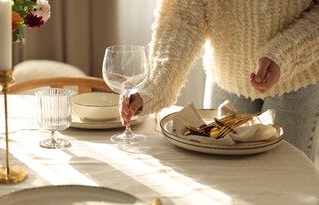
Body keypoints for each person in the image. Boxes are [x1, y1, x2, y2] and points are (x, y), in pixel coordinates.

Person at [120, 0, 319, 161]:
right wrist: (154, 87)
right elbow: (183, 17)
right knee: (222, 181)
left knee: (286, 183)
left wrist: (284, 54)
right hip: (226, 77)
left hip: (296, 80)